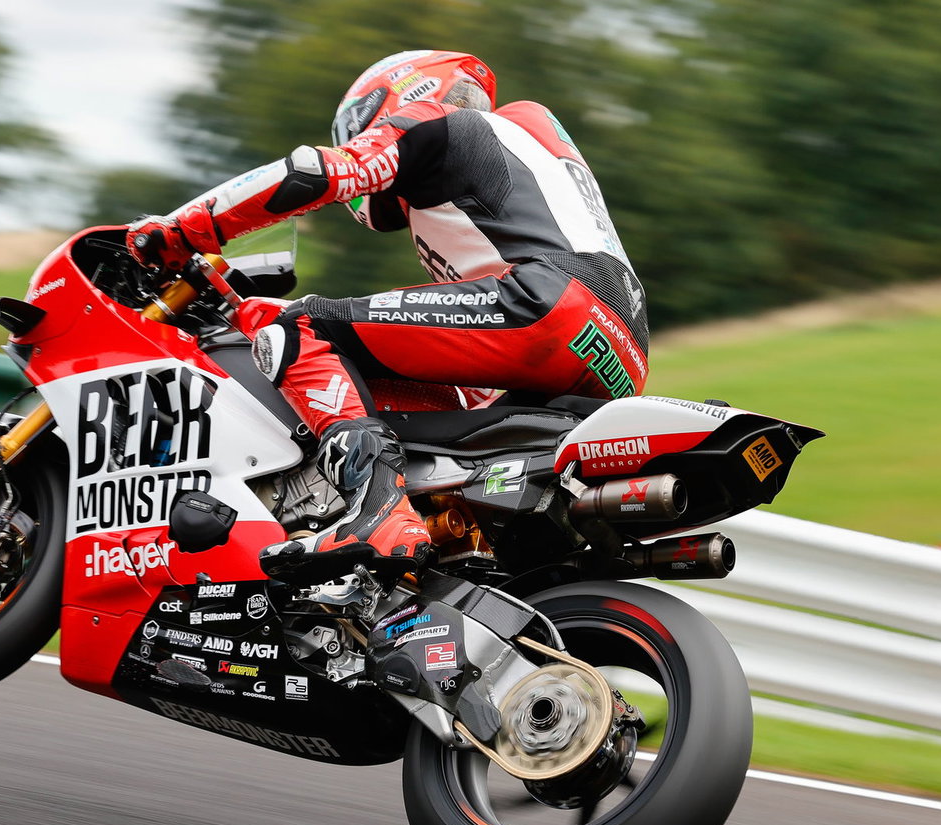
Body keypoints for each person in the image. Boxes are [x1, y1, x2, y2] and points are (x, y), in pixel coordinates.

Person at [126, 49, 650, 586]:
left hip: (548, 304)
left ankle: (375, 508)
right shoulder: (523, 156)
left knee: (296, 326)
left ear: (406, 94)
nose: (363, 133)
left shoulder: (442, 123)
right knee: (450, 446)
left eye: (362, 122)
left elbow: (317, 172)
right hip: (620, 349)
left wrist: (184, 228)